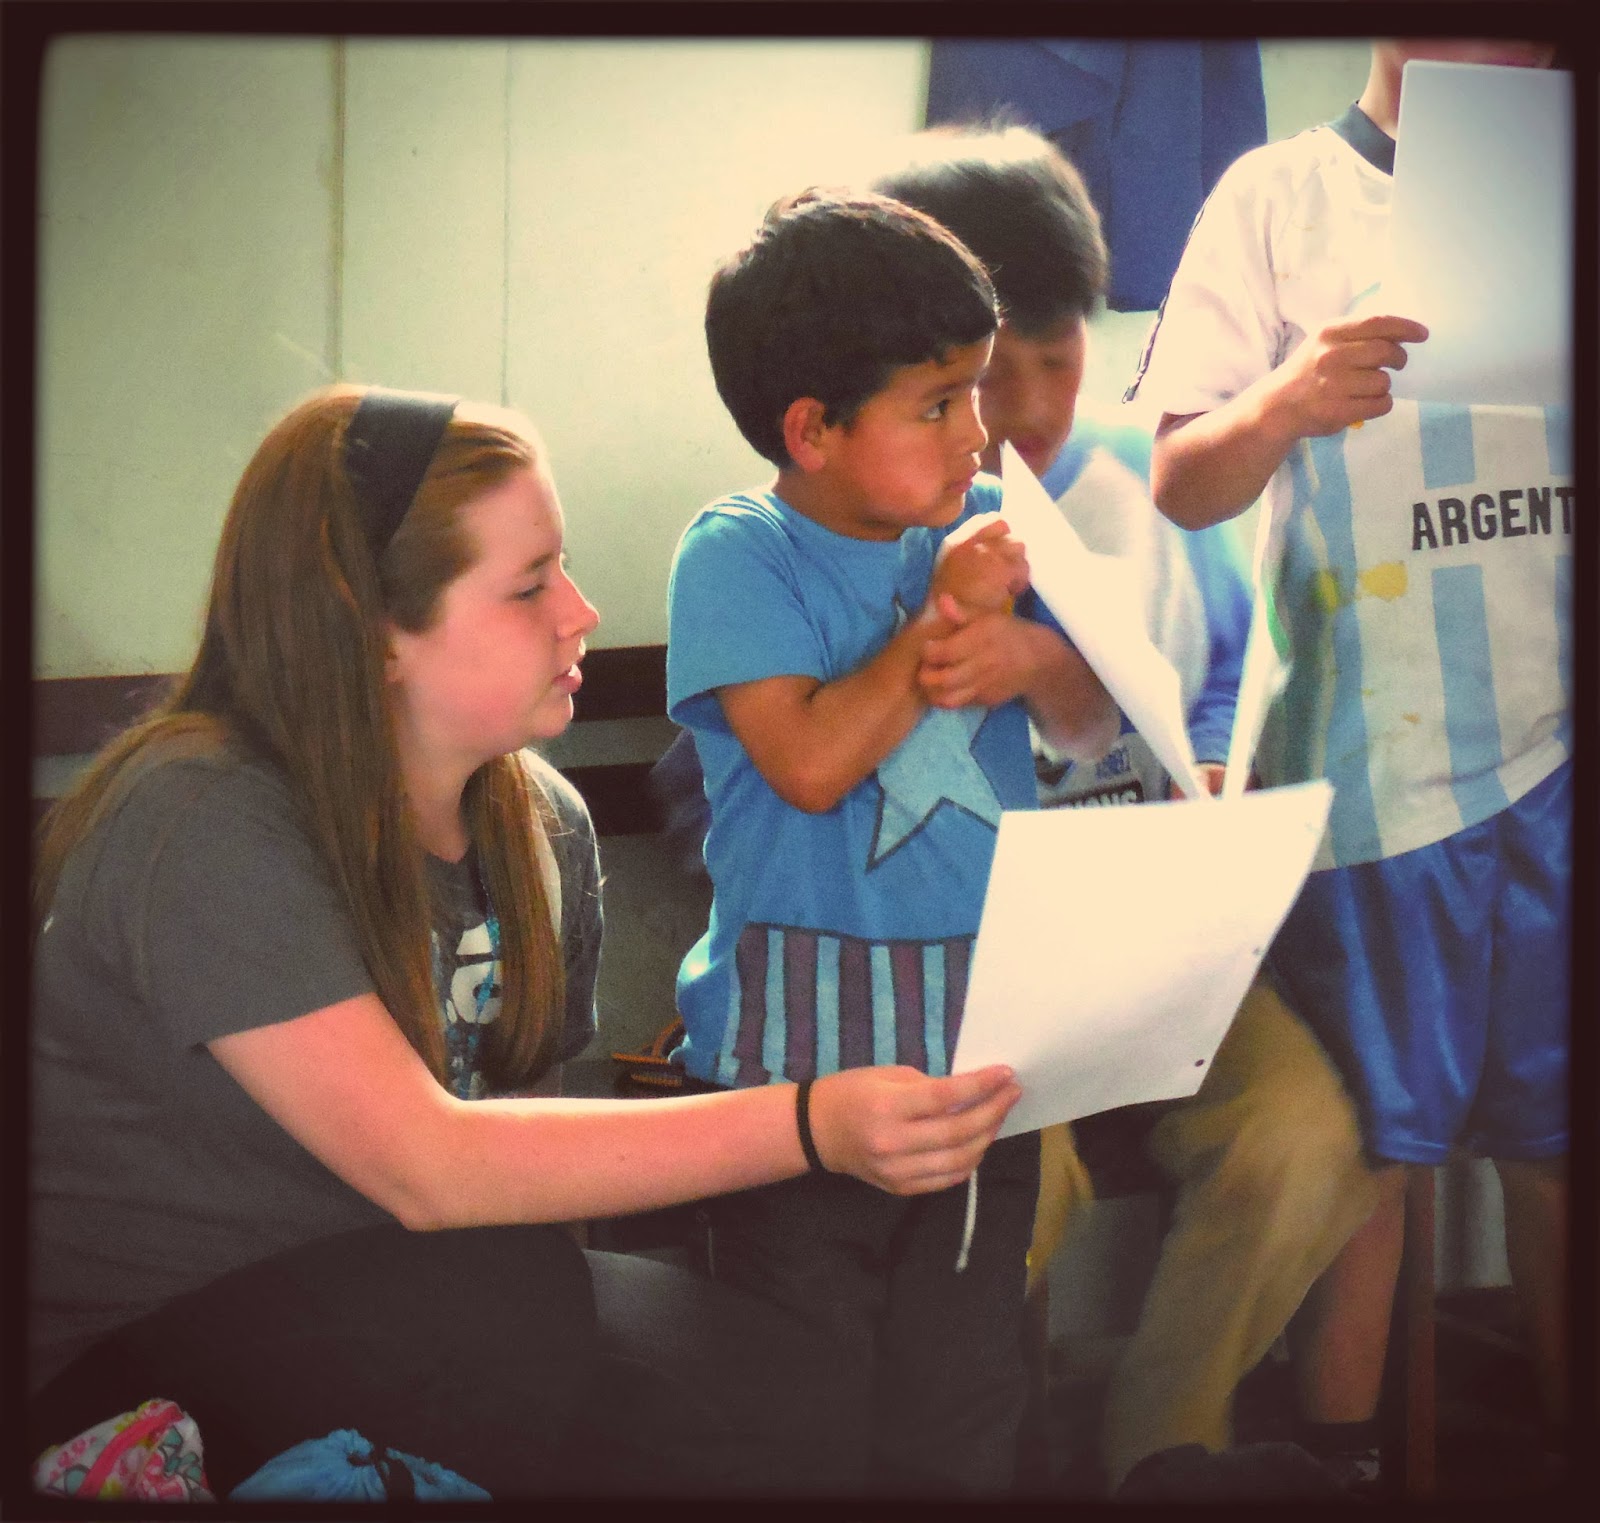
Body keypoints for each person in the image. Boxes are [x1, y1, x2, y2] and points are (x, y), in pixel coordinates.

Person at [26, 383, 1024, 1499]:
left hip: (416, 1302)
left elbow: (530, 1162)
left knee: (784, 1390)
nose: (581, 611)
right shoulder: (201, 814)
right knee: (506, 1302)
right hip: (128, 1374)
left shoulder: (541, 822)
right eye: (529, 584)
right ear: (372, 627)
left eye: (567, 570)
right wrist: (813, 1120)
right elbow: (432, 1167)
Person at [871, 122, 1386, 1494]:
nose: (1036, 401)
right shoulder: (850, 516)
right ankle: (999, 1460)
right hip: (959, 987)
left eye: (1063, 356)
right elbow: (733, 786)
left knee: (1310, 1133)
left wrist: (1212, 768)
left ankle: (1162, 1453)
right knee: (1008, 1188)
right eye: (994, 371)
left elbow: (1219, 671)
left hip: (1152, 947)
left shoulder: (1140, 483)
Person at [1131, 38, 1570, 1487]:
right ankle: (1345, 1466)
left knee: (1560, 1150)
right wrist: (1285, 400)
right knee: (1372, 1156)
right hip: (1367, 764)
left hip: (1559, 754)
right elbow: (1177, 479)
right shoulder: (1277, 196)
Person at [665, 189, 1118, 1495]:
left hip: (976, 1070)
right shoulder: (738, 553)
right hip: (788, 1089)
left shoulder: (989, 540)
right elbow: (808, 764)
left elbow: (1093, 722)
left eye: (975, 391)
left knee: (960, 1414)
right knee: (802, 1419)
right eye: (937, 404)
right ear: (810, 429)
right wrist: (934, 633)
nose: (977, 433)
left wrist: (1030, 654)